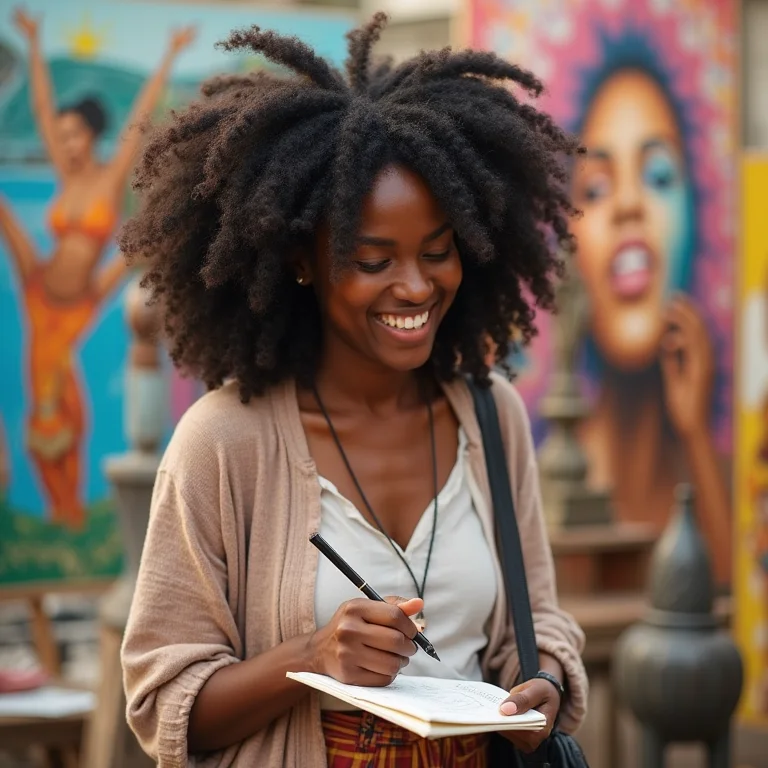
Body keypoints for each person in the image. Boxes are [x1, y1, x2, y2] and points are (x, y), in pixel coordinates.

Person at [120, 14, 588, 768]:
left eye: (439, 252)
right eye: (374, 260)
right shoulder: (225, 441)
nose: (415, 286)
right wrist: (309, 655)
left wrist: (545, 685)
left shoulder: (490, 415)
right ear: (303, 260)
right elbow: (163, 705)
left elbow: (540, 628)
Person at [0, 7, 194, 528]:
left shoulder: (108, 181)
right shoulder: (65, 173)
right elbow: (41, 109)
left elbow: (139, 118)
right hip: (40, 292)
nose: (65, 144)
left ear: (91, 134)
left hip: (78, 304)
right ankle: (57, 503)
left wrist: (171, 55)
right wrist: (36, 45)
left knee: (60, 394)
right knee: (42, 390)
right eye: (60, 137)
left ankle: (68, 507)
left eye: (74, 135)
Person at [568, 42, 731, 584]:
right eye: (596, 187)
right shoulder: (545, 457)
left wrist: (695, 433)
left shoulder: (721, 452)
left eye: (659, 177)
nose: (631, 205)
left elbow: (744, 608)